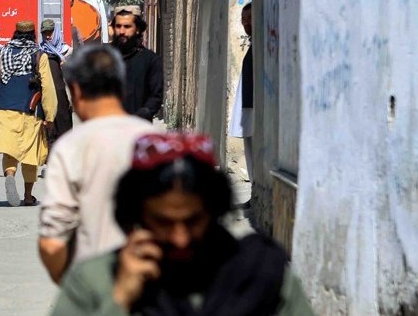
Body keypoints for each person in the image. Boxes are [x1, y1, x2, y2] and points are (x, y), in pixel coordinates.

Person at [50, 132, 314, 315]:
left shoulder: (261, 275)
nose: (180, 238)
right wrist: (119, 300)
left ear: (214, 210)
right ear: (135, 215)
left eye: (193, 221)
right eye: (163, 222)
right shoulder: (95, 280)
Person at [38, 45, 156, 283]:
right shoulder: (155, 142)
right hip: (152, 285)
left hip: (95, 280)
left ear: (76, 90)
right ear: (122, 88)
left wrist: (76, 291)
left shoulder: (71, 147)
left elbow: (52, 242)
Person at [0, 21, 55, 207]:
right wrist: (50, 115)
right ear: (33, 34)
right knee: (30, 153)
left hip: (4, 109)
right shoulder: (39, 55)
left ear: (15, 33)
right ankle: (28, 195)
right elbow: (47, 87)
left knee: (10, 149)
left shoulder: (2, 53)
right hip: (29, 110)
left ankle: (9, 174)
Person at [111, 5, 164, 121]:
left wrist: (142, 114)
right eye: (118, 26)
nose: (122, 31)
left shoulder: (150, 60)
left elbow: (156, 97)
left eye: (127, 26)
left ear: (138, 29)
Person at [229, 3, 254, 191]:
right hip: (248, 105)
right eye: (243, 20)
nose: (246, 24)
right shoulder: (253, 45)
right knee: (250, 148)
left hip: (254, 106)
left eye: (249, 19)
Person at [39, 19, 74, 141]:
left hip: (63, 99)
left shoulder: (68, 52)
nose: (48, 36)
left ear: (57, 32)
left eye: (50, 32)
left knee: (64, 133)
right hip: (47, 99)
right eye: (45, 33)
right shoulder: (40, 52)